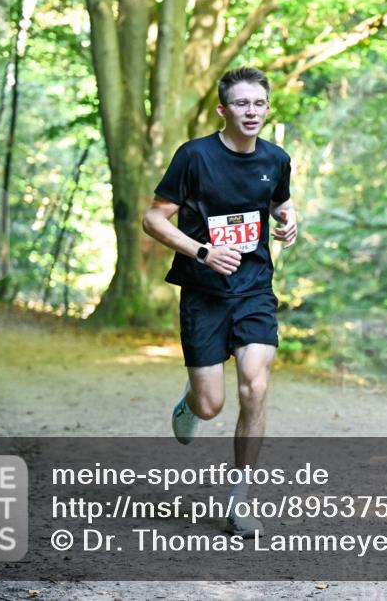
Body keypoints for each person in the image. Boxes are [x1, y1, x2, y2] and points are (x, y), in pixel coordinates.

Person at [141, 67, 296, 537]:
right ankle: (191, 404)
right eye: (242, 104)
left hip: (253, 289)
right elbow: (153, 218)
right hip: (204, 294)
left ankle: (241, 498)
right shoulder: (195, 157)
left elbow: (280, 203)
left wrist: (289, 221)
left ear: (268, 108)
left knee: (256, 384)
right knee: (212, 405)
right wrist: (203, 251)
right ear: (223, 110)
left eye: (259, 104)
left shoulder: (277, 158)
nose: (252, 112)